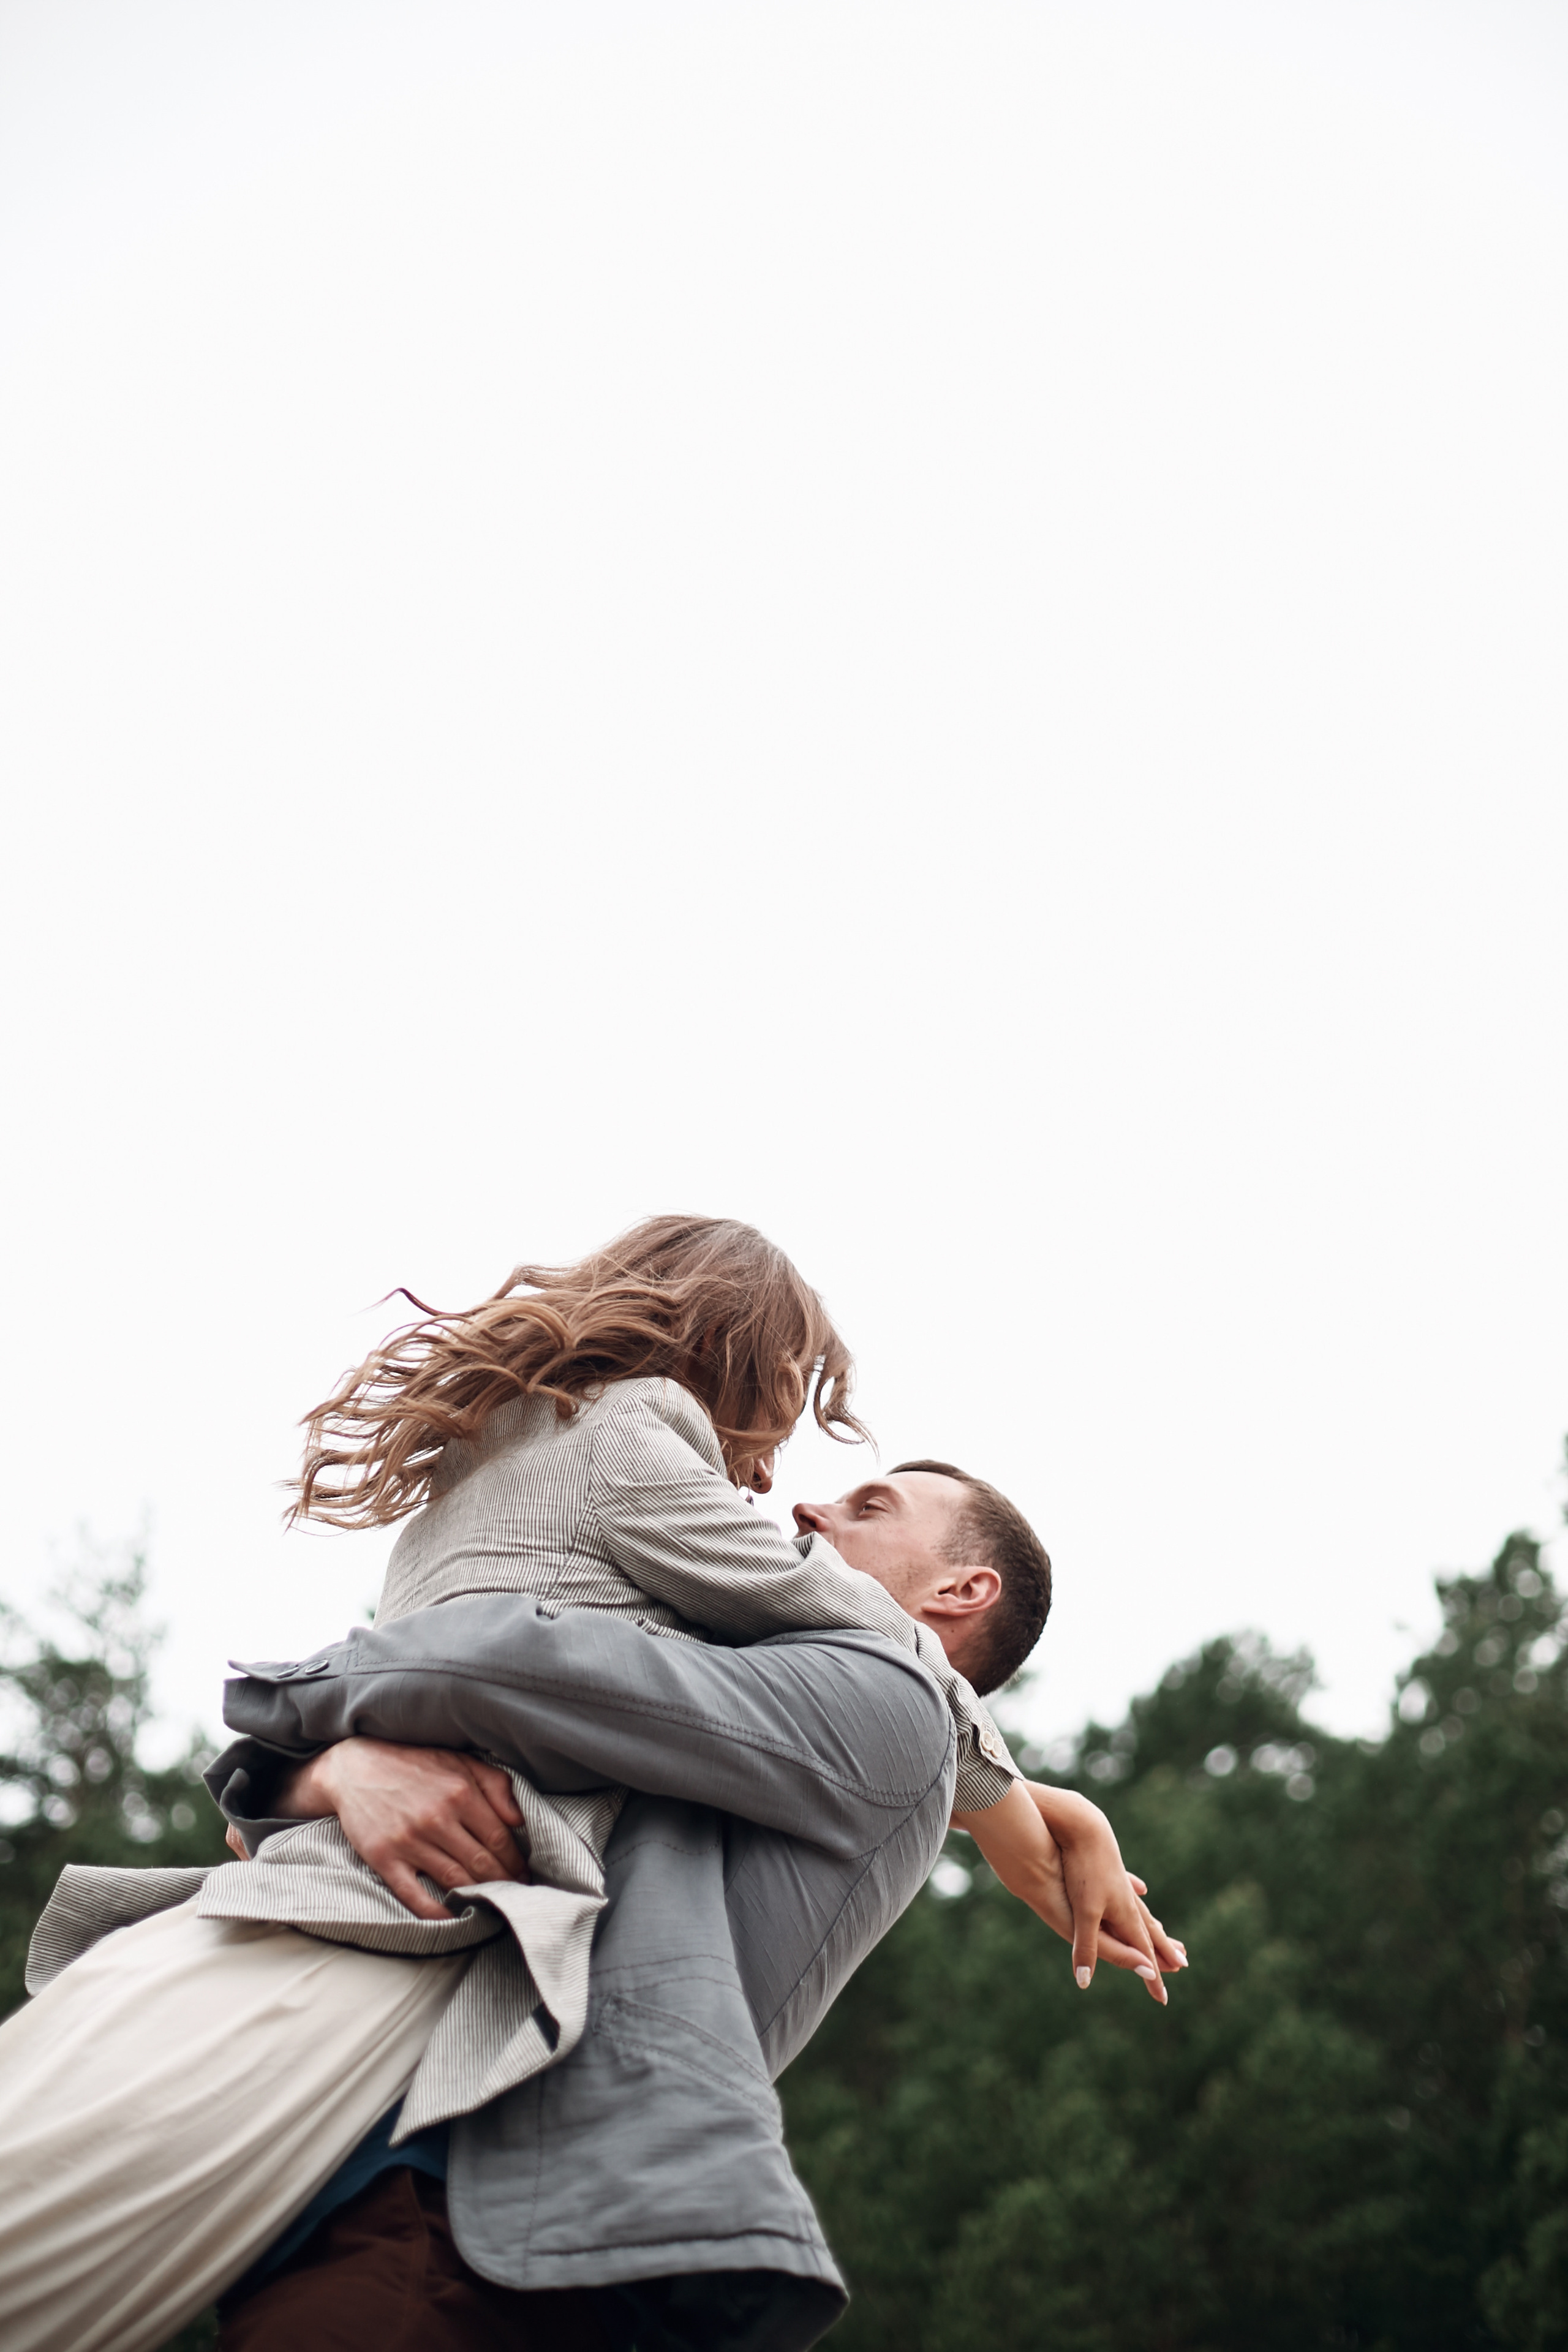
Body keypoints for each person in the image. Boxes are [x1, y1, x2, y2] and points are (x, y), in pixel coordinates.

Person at [0, 1218, 1176, 2352]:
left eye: (869, 1506)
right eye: (786, 1415)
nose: (790, 1498)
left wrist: (1010, 1797)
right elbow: (514, 1687)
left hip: (470, 2189)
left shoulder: (886, 1702)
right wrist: (331, 1771)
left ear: (959, 1596)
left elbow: (506, 1662)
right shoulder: (634, 1478)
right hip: (376, 2065)